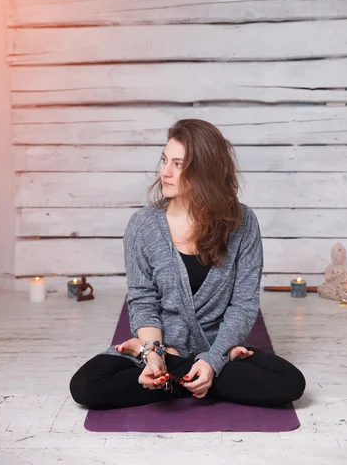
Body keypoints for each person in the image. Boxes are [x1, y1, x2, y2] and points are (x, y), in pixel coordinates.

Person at [69, 119, 305, 410]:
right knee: (84, 386)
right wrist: (153, 355)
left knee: (290, 382)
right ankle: (183, 378)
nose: (165, 172)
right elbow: (143, 301)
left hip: (216, 346)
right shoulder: (143, 226)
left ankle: (176, 379)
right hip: (162, 346)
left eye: (179, 164)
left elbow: (243, 305)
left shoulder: (242, 224)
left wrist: (213, 358)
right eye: (165, 160)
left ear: (205, 171)